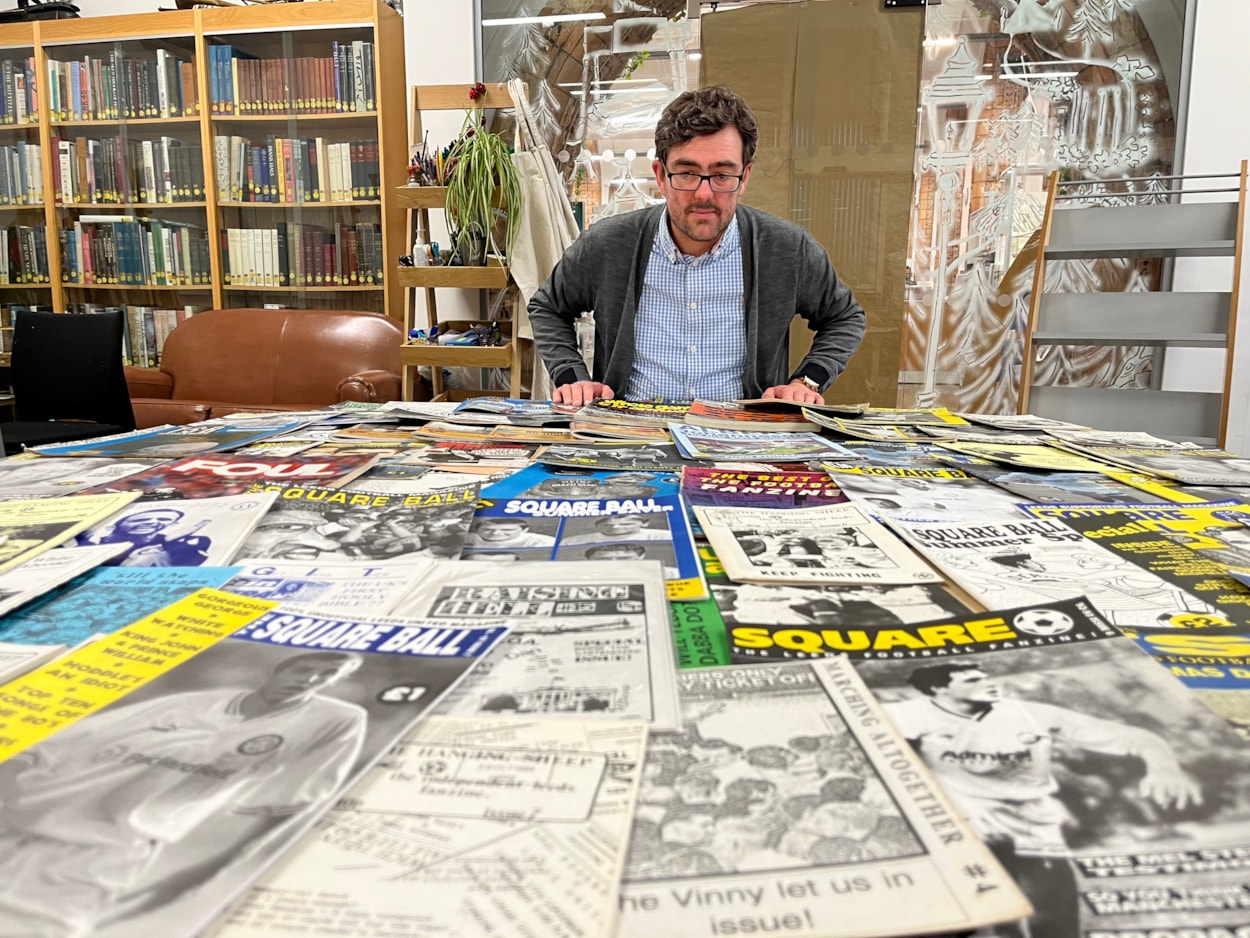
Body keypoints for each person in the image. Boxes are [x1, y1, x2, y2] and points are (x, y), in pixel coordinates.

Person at [529, 84, 866, 406]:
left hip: (742, 434)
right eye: (687, 173)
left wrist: (806, 381)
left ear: (745, 177)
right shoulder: (607, 245)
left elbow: (844, 316)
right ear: (661, 176)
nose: (704, 194)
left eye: (722, 175)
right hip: (631, 434)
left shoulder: (787, 250)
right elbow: (548, 306)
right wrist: (572, 377)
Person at [0, 651, 368, 936]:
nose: (310, 680)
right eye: (303, 670)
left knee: (43, 927)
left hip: (104, 847)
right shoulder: (191, 704)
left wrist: (211, 869)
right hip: (19, 817)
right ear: (276, 671)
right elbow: (44, 746)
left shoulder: (335, 720)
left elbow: (292, 804)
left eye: (326, 675)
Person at [885, 662, 1201, 938]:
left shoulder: (1028, 713)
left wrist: (1164, 767)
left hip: (1033, 821)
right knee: (986, 920)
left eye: (984, 676)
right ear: (939, 690)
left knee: (1055, 920)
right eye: (971, 680)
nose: (987, 683)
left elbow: (1138, 738)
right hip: (962, 822)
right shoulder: (907, 715)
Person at [79, 507, 211, 566]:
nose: (153, 522)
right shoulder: (96, 540)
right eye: (138, 520)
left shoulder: (159, 540)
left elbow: (182, 533)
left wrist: (202, 523)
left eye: (163, 519)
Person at [562, 514, 671, 545]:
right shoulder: (572, 541)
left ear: (644, 523)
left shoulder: (664, 536)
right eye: (606, 525)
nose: (615, 527)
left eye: (626, 524)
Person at [463, 517, 556, 549]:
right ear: (476, 529)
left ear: (525, 530)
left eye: (507, 530)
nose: (495, 533)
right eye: (487, 529)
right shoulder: (465, 538)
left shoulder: (542, 542)